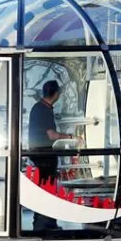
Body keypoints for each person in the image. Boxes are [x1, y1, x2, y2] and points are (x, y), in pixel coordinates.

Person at [27, 80, 74, 231]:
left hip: (40, 156)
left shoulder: (40, 108)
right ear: (56, 94)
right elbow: (52, 135)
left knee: (45, 189)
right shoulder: (43, 110)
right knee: (47, 189)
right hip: (44, 156)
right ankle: (45, 224)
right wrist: (71, 137)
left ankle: (45, 222)